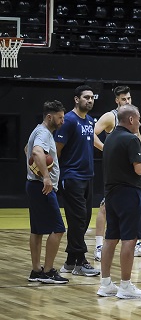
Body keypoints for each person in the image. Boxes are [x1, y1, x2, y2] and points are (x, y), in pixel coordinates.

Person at [95, 104, 141, 299]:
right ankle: (126, 286)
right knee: (130, 239)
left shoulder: (110, 138)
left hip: (110, 194)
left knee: (110, 239)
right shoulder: (131, 139)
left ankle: (105, 284)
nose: (140, 122)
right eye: (139, 119)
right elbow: (138, 170)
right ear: (131, 120)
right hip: (129, 193)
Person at [93, 85, 141, 260]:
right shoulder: (110, 116)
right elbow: (92, 134)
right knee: (105, 206)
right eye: (123, 99)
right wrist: (106, 149)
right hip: (116, 169)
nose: (127, 101)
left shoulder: (133, 118)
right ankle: (98, 246)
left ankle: (136, 244)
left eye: (129, 98)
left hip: (130, 169)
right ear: (116, 100)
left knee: (135, 206)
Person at [54, 85, 102, 277]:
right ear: (76, 99)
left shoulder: (89, 121)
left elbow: (95, 144)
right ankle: (81, 261)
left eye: (92, 98)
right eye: (86, 97)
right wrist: (57, 175)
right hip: (71, 177)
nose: (90, 101)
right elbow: (57, 150)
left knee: (82, 220)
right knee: (78, 219)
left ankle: (69, 261)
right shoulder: (69, 121)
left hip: (87, 177)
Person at [25, 100, 69, 284]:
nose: (62, 122)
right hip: (42, 187)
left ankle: (36, 271)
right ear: (49, 117)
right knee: (58, 229)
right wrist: (45, 176)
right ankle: (48, 271)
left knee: (37, 230)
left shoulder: (37, 131)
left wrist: (35, 170)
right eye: (60, 118)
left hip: (33, 185)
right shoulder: (43, 132)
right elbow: (35, 152)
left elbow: (26, 150)